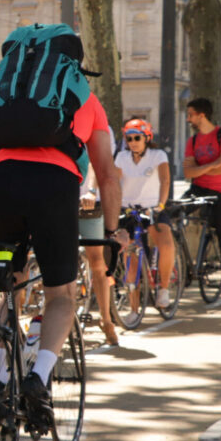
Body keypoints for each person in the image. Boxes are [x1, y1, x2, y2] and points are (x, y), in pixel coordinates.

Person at [0, 88, 126, 431]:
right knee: (61, 293)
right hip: (52, 186)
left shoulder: (8, 91)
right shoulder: (86, 97)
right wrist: (111, 231)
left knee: (7, 277)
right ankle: (38, 378)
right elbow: (107, 175)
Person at [114, 118, 175, 311]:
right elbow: (115, 182)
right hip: (129, 210)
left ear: (146, 138)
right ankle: (133, 309)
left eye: (137, 138)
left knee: (165, 243)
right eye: (129, 138)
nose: (132, 142)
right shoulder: (122, 158)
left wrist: (160, 205)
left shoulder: (158, 155)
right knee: (130, 256)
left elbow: (165, 181)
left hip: (152, 208)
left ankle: (164, 289)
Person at [183, 97, 221, 305]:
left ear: (201, 115)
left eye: (190, 115)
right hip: (198, 189)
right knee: (171, 215)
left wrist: (201, 168)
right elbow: (188, 171)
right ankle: (181, 266)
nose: (188, 119)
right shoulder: (193, 141)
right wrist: (211, 165)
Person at [78, 128, 120, 345]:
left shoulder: (93, 127)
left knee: (97, 261)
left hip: (88, 206)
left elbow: (97, 162)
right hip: (60, 203)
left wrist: (91, 191)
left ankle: (106, 319)